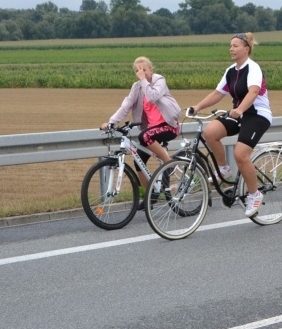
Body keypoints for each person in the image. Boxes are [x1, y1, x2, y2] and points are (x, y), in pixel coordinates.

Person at [187, 32, 272, 217]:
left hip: (257, 115)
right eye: (230, 45)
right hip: (239, 113)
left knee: (241, 154)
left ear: (246, 49)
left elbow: (253, 91)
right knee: (210, 132)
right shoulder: (231, 70)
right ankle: (224, 169)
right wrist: (198, 106)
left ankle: (254, 194)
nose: (231, 49)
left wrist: (240, 109)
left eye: (235, 46)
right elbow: (218, 93)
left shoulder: (253, 68)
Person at [101, 56, 181, 189]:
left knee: (144, 136)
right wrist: (111, 123)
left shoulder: (159, 80)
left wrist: (144, 80)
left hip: (169, 126)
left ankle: (169, 164)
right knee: (138, 162)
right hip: (152, 129)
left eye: (144, 70)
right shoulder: (137, 87)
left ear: (151, 69)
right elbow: (126, 106)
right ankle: (150, 196)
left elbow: (153, 96)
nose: (142, 73)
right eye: (138, 71)